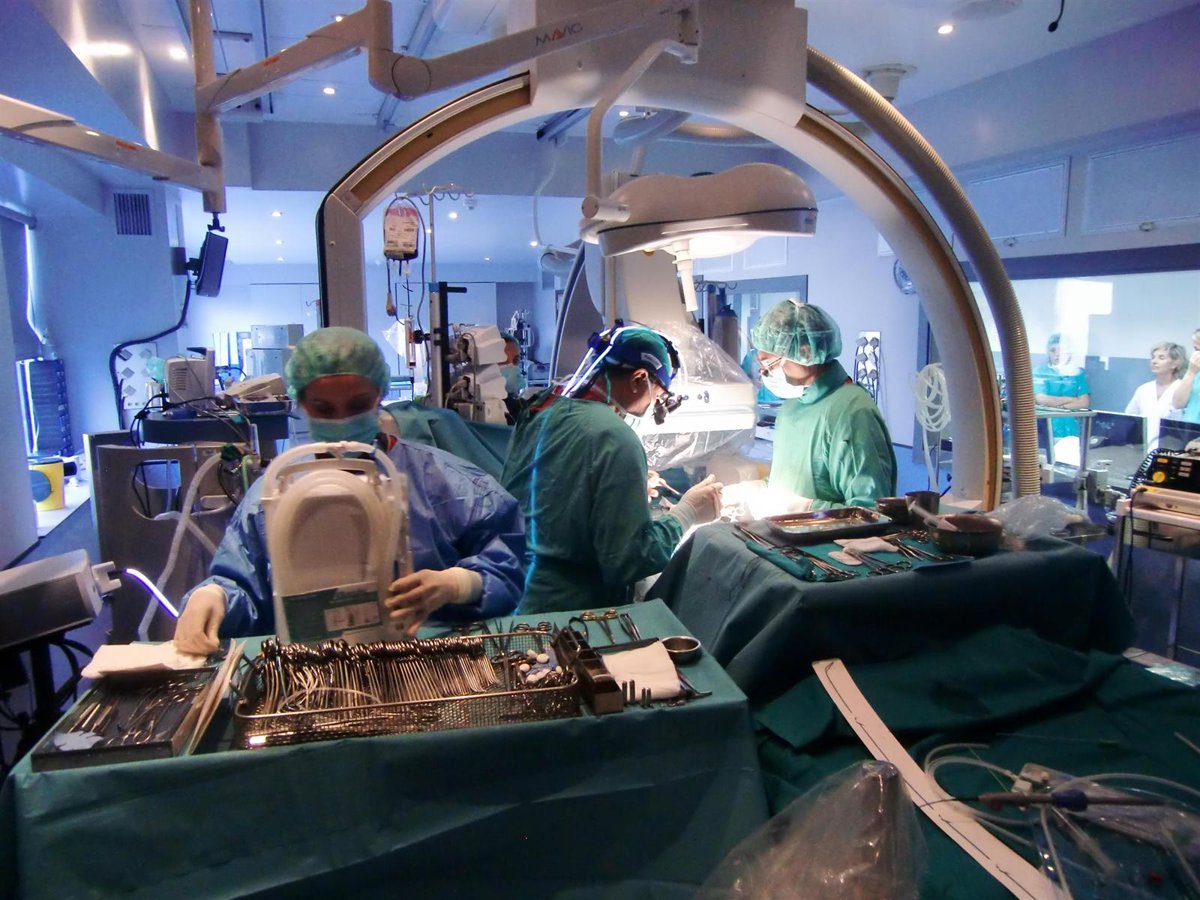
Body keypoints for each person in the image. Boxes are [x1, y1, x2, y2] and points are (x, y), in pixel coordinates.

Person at [173, 327, 526, 653]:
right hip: (308, 669)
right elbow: (243, 584)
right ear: (300, 402)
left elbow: (510, 569)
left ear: (380, 395)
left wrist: (458, 584)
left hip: (426, 659)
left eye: (357, 406)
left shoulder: (445, 482)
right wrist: (214, 596)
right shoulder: (274, 495)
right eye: (323, 408)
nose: (341, 421)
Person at [502, 323, 723, 613]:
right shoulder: (615, 436)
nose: (655, 403)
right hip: (565, 611)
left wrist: (618, 486)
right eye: (658, 394)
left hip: (507, 591)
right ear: (638, 379)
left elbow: (547, 488)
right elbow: (629, 560)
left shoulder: (542, 407)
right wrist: (688, 511)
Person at [748, 300, 896, 509]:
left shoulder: (853, 412)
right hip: (782, 528)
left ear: (806, 353)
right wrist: (760, 490)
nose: (765, 373)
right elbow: (795, 482)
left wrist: (806, 509)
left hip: (824, 532)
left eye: (770, 364)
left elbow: (869, 511)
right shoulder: (792, 406)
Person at [1124, 341, 1186, 448]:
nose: (1154, 361)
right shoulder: (1143, 389)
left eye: (1161, 358)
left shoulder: (1182, 389)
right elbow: (1130, 417)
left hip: (1172, 447)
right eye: (1153, 357)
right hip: (1143, 447)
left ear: (1175, 363)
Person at [1171, 328, 1200, 422]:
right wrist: (1191, 372)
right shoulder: (1196, 372)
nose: (1196, 354)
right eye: (1195, 349)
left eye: (1198, 349)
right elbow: (1177, 404)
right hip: (1190, 428)